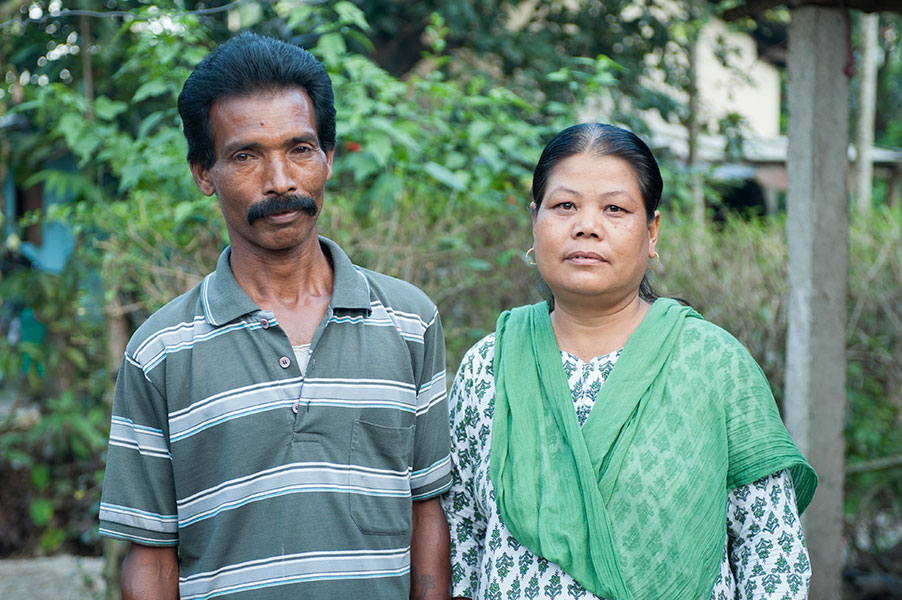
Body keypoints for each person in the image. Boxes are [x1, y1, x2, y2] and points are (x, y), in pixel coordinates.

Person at [98, 33, 452, 600]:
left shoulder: (410, 322)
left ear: (329, 158)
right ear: (203, 173)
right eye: (245, 155)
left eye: (300, 149)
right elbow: (151, 557)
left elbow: (427, 511)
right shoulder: (159, 351)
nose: (280, 180)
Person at [441, 123, 817, 600]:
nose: (587, 225)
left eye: (615, 208)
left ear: (652, 230)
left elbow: (770, 551)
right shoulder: (488, 367)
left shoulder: (713, 364)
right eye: (565, 206)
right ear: (534, 221)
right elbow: (463, 541)